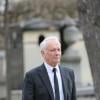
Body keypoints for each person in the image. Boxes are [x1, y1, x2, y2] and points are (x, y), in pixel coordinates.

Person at [22, 36, 77, 100]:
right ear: (43, 53)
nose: (57, 53)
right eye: (53, 50)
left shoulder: (69, 73)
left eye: (58, 50)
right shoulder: (31, 76)